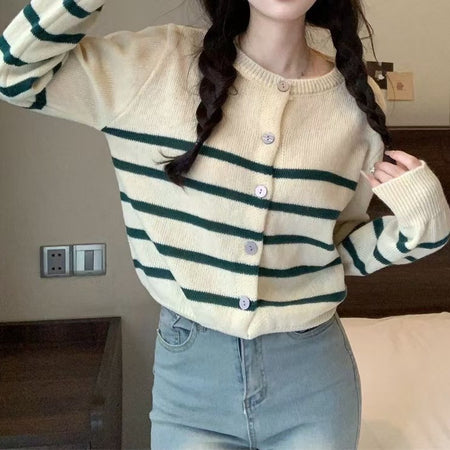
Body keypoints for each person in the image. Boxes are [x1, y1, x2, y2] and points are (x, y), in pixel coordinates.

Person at [1, 0, 449, 448]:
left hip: (314, 382)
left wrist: (426, 223)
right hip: (191, 386)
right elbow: (13, 76)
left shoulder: (358, 101)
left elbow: (331, 246)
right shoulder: (153, 65)